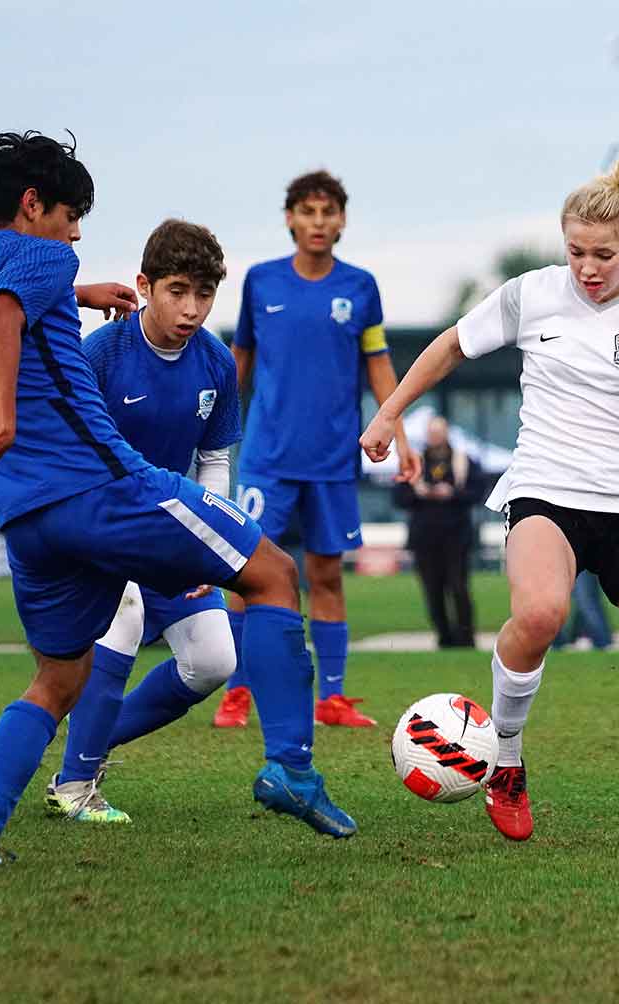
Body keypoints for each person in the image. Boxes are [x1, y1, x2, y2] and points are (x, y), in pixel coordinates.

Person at [0, 132, 362, 870]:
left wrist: (79, 294)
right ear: (33, 204)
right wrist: (2, 424)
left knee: (58, 679)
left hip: (28, 516)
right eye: (71, 216)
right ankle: (291, 768)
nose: (74, 235)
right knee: (273, 575)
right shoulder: (39, 259)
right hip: (104, 485)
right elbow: (3, 316)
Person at [359, 150, 619, 844]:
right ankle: (505, 762)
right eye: (576, 252)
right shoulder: (532, 292)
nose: (589, 268)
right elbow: (451, 346)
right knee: (539, 613)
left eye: (604, 254)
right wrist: (389, 412)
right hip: (544, 490)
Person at [39, 219, 243, 823]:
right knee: (122, 618)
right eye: (177, 290)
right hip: (97, 530)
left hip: (169, 533)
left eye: (204, 294)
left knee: (215, 662)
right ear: (144, 286)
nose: (191, 308)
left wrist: (210, 544)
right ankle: (76, 787)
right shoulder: (100, 353)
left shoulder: (218, 363)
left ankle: (87, 750)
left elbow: (213, 459)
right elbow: (68, 452)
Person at [213, 170, 419, 731]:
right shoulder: (260, 282)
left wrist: (396, 429)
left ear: (343, 221)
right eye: (307, 211)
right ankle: (236, 692)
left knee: (326, 575)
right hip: (266, 459)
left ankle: (332, 697)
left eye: (329, 212)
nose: (318, 223)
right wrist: (207, 421)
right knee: (245, 573)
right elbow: (240, 361)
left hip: (332, 461)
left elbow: (378, 365)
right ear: (290, 219)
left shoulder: (360, 287)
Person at [395, 414, 480, 649]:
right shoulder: (415, 463)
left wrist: (452, 493)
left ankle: (466, 638)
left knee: (459, 586)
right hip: (425, 536)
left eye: (439, 432)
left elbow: (477, 492)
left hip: (456, 536)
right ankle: (444, 637)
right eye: (431, 433)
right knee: (432, 589)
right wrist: (420, 493)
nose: (435, 437)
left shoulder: (464, 461)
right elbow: (399, 497)